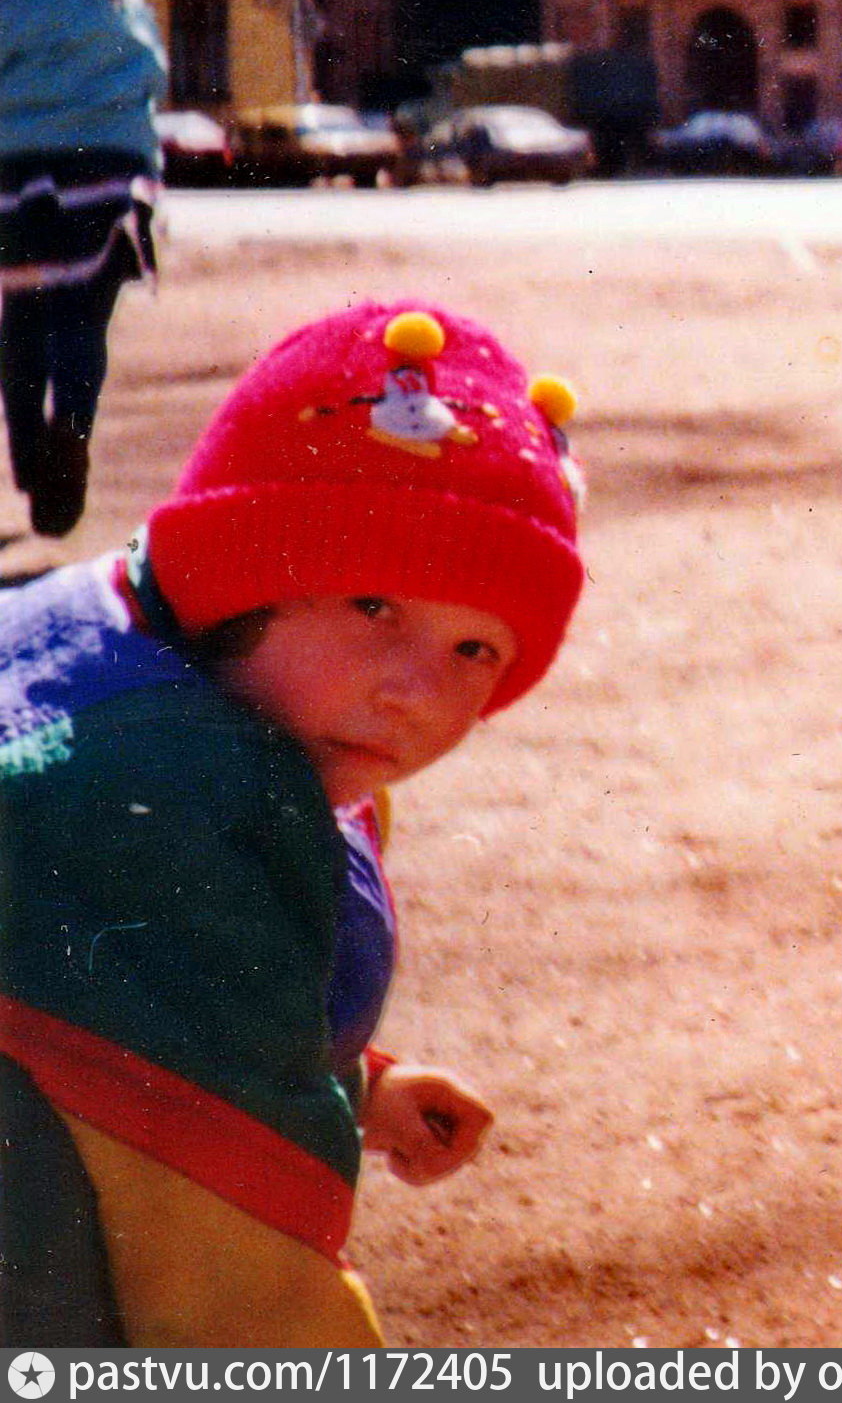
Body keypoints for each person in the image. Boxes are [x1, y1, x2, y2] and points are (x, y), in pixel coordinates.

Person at [0, 300, 587, 1344]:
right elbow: (229, 1252)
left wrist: (350, 1078)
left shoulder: (137, 637)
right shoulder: (165, 791)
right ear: (243, 575)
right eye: (373, 605)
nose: (418, 689)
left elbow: (154, 993)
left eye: (474, 651)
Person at [0, 0, 171, 542]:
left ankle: (28, 455)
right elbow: (152, 73)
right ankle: (72, 430)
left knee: (20, 318)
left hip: (14, 175)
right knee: (82, 320)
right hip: (109, 171)